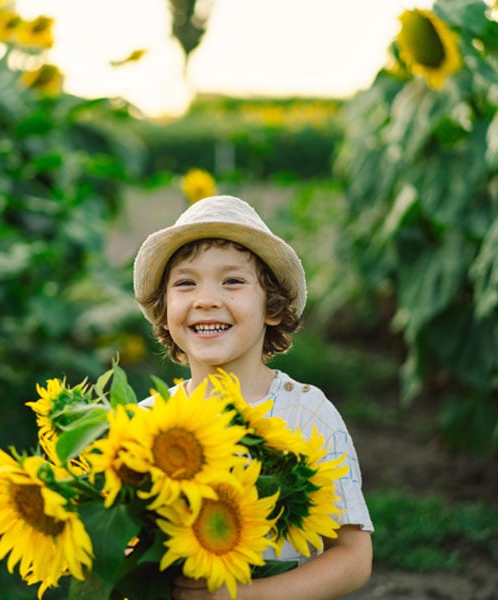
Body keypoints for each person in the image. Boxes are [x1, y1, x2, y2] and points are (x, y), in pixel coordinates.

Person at [132, 194, 373, 600]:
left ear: (273, 308)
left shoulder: (306, 412)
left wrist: (239, 596)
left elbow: (352, 556)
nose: (206, 299)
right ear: (165, 310)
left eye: (232, 281)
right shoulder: (147, 422)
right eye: (186, 283)